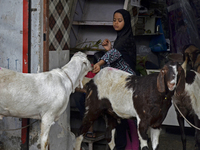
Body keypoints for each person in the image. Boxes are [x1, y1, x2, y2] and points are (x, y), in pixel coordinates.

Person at [92, 9, 139, 150]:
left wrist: (100, 63)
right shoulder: (120, 38)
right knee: (122, 115)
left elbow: (115, 54)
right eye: (114, 20)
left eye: (120, 20)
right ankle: (126, 145)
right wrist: (109, 49)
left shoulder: (126, 39)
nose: (116, 23)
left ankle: (133, 145)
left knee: (127, 115)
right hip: (121, 82)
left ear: (126, 22)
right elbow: (118, 57)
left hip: (128, 82)